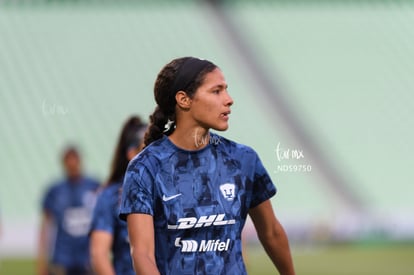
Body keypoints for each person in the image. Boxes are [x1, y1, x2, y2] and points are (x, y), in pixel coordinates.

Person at [119, 57, 295, 275]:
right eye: (216, 91)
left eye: (226, 90)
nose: (229, 100)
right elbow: (142, 253)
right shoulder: (146, 167)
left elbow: (271, 233)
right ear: (184, 100)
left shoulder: (243, 160)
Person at [90, 116, 147, 275]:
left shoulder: (169, 191)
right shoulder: (110, 196)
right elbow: (99, 254)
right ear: (131, 153)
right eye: (146, 150)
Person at [38, 146, 100, 275]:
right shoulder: (55, 191)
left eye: (74, 160)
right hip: (63, 259)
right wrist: (42, 261)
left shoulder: (94, 187)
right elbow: (45, 226)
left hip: (87, 259)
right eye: (68, 161)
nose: (72, 165)